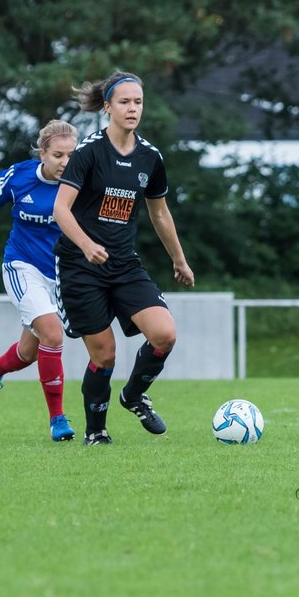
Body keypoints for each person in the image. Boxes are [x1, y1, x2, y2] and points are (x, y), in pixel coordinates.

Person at [52, 71, 195, 444]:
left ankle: (133, 395)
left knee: (164, 334)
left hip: (123, 264)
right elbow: (61, 210)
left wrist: (179, 260)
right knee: (105, 355)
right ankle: (96, 431)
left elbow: (160, 213)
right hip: (80, 266)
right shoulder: (88, 152)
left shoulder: (150, 157)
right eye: (124, 102)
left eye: (138, 102)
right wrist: (86, 245)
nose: (133, 109)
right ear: (108, 107)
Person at [0, 120, 78, 442]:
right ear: (42, 154)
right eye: (58, 155)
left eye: (71, 154)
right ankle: (58, 420)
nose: (65, 162)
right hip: (21, 266)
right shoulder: (20, 176)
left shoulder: (80, 180)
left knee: (29, 353)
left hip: (61, 275)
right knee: (52, 335)